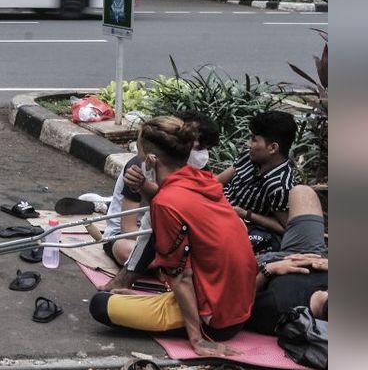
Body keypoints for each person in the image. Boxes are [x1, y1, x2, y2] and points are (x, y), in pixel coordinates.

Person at [90, 116, 257, 357]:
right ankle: (131, 289)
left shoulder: (166, 204)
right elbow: (173, 198)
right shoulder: (202, 178)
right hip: (237, 306)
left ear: (151, 159)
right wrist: (145, 188)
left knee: (100, 305)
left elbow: (182, 277)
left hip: (215, 321)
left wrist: (197, 339)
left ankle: (187, 324)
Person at [100, 110, 220, 291]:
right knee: (131, 248)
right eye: (195, 144)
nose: (198, 151)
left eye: (201, 147)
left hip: (168, 242)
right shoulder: (139, 171)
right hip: (140, 238)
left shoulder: (195, 177)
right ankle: (162, 265)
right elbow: (130, 229)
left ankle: (161, 265)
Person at [248, 184, 328, 335]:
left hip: (266, 268)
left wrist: (268, 270)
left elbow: (239, 304)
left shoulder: (278, 308)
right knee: (303, 192)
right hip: (311, 254)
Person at [216, 111, 299, 252]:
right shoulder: (250, 157)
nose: (248, 144)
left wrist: (246, 214)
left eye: (254, 140)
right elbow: (219, 181)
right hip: (220, 210)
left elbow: (285, 228)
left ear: (273, 148)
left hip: (240, 228)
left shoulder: (280, 186)